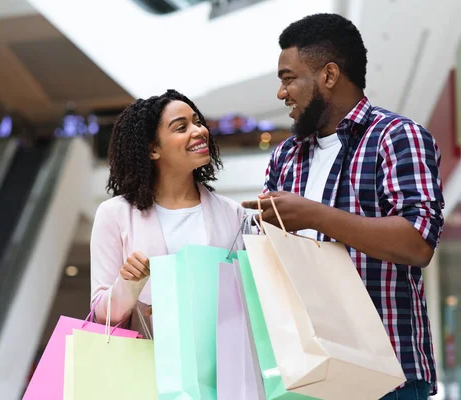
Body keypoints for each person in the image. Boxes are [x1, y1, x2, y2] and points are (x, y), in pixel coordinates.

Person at [243, 13, 444, 399]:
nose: (281, 94)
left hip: (388, 377)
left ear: (329, 76)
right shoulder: (286, 156)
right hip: (304, 374)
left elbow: (418, 242)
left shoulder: (397, 137)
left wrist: (314, 215)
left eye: (288, 79)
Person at [90, 89, 247, 336]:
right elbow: (102, 316)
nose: (199, 131)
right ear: (153, 150)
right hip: (146, 366)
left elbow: (247, 298)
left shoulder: (233, 213)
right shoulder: (114, 214)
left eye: (197, 122)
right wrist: (128, 284)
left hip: (223, 363)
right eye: (181, 127)